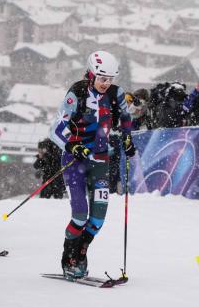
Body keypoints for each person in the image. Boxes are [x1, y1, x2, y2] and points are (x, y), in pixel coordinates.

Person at [50, 50, 135, 279]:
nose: (106, 84)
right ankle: (69, 256)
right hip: (75, 161)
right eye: (102, 78)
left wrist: (127, 139)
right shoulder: (77, 92)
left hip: (100, 161)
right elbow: (55, 131)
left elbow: (126, 120)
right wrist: (72, 146)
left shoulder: (116, 94)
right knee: (80, 215)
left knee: (98, 219)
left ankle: (82, 251)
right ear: (91, 74)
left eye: (110, 79)